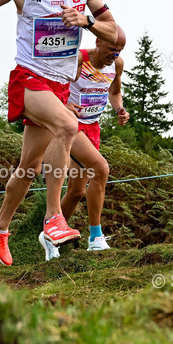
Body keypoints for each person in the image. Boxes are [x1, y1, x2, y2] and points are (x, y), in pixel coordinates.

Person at [0, 0, 118, 265]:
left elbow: (115, 34)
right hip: (29, 79)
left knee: (29, 167)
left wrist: (87, 20)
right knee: (67, 125)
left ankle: (0, 224)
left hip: (60, 87)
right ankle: (53, 219)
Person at [38, 30, 129, 260]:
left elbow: (115, 92)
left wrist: (119, 109)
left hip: (92, 128)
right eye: (111, 48)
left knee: (78, 191)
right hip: (72, 126)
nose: (114, 54)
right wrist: (63, 105)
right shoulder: (79, 58)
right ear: (98, 41)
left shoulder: (117, 64)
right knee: (101, 169)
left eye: (119, 50)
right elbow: (52, 86)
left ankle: (51, 238)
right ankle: (95, 239)